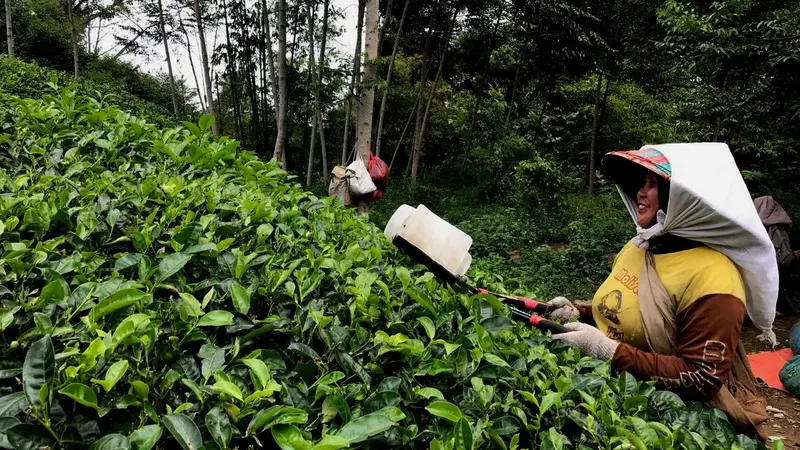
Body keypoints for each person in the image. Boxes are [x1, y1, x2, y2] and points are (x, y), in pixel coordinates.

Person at [545, 144, 779, 441]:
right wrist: (581, 311)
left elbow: (701, 378)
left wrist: (606, 351)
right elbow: (627, 307)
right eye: (640, 184)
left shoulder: (714, 276)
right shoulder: (639, 246)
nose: (640, 193)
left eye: (653, 184)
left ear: (686, 199)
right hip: (604, 397)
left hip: (667, 422)